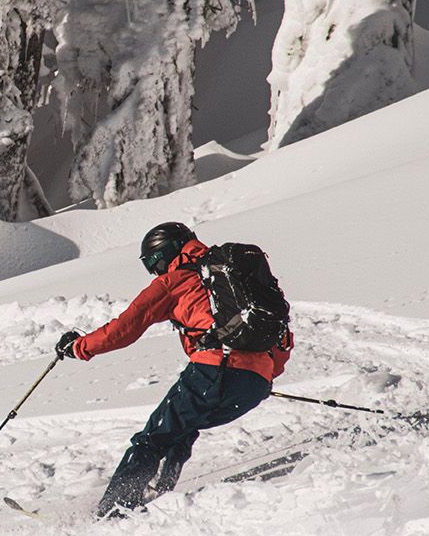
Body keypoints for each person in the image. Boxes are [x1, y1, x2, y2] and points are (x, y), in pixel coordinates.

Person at [54, 222, 292, 518]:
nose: (155, 271)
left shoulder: (176, 280)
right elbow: (279, 333)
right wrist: (264, 376)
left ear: (163, 254)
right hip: (255, 383)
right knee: (182, 427)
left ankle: (111, 513)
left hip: (216, 369)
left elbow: (125, 328)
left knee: (152, 438)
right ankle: (156, 491)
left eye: (153, 264)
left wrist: (79, 347)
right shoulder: (230, 274)